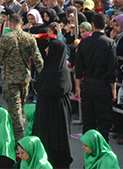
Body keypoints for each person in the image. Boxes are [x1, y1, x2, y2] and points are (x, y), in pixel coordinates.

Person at [0, 12, 43, 142]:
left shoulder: (6, 38)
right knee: (19, 110)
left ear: (10, 24)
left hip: (10, 80)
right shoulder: (29, 38)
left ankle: (19, 142)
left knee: (15, 112)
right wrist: (43, 78)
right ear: (22, 23)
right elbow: (38, 60)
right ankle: (16, 138)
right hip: (24, 79)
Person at [74, 13, 116, 140]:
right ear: (105, 24)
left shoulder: (84, 43)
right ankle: (102, 150)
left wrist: (78, 89)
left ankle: (89, 148)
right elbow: (112, 69)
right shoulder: (110, 43)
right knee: (104, 121)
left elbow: (78, 68)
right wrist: (113, 89)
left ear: (92, 25)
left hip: (87, 84)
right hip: (103, 85)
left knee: (88, 120)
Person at [32, 38, 73, 169]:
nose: (46, 50)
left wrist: (41, 90)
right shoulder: (49, 67)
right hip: (46, 112)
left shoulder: (62, 72)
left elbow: (54, 89)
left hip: (57, 113)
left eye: (49, 48)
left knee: (56, 145)